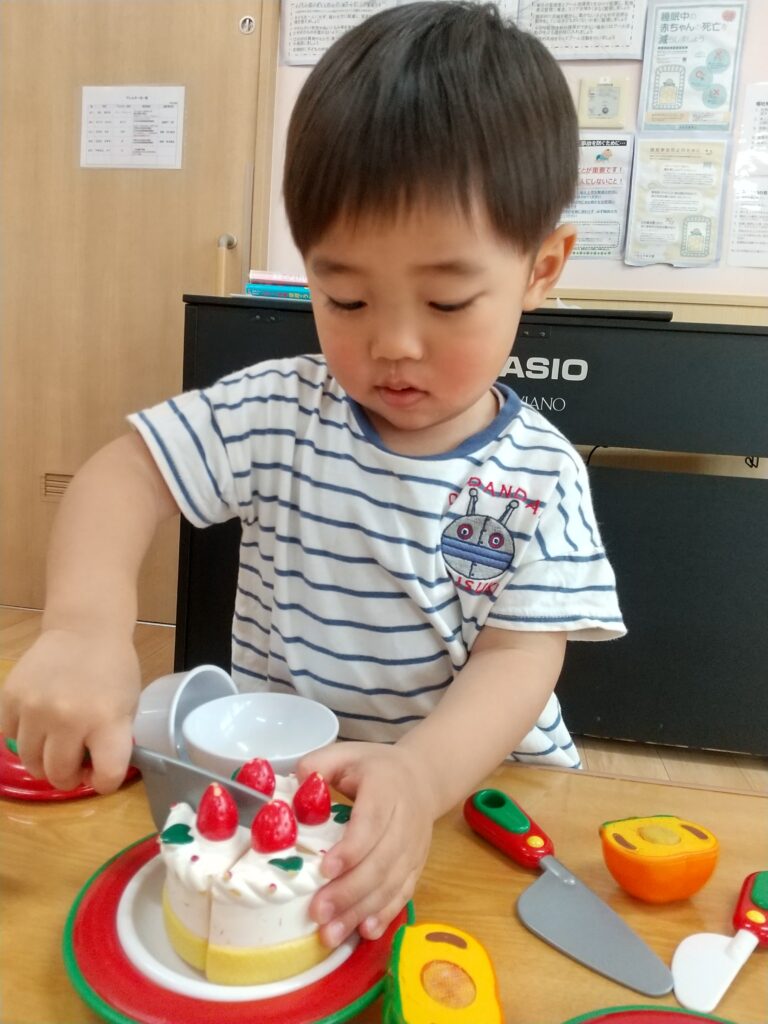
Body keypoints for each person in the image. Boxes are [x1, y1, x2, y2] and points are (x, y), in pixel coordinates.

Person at [1, 1, 625, 951]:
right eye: (346, 297)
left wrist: (417, 775)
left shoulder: (539, 473)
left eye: (447, 301)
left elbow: (519, 660)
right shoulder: (278, 410)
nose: (394, 342)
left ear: (542, 268)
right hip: (278, 803)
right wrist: (84, 627)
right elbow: (126, 472)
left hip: (476, 806)